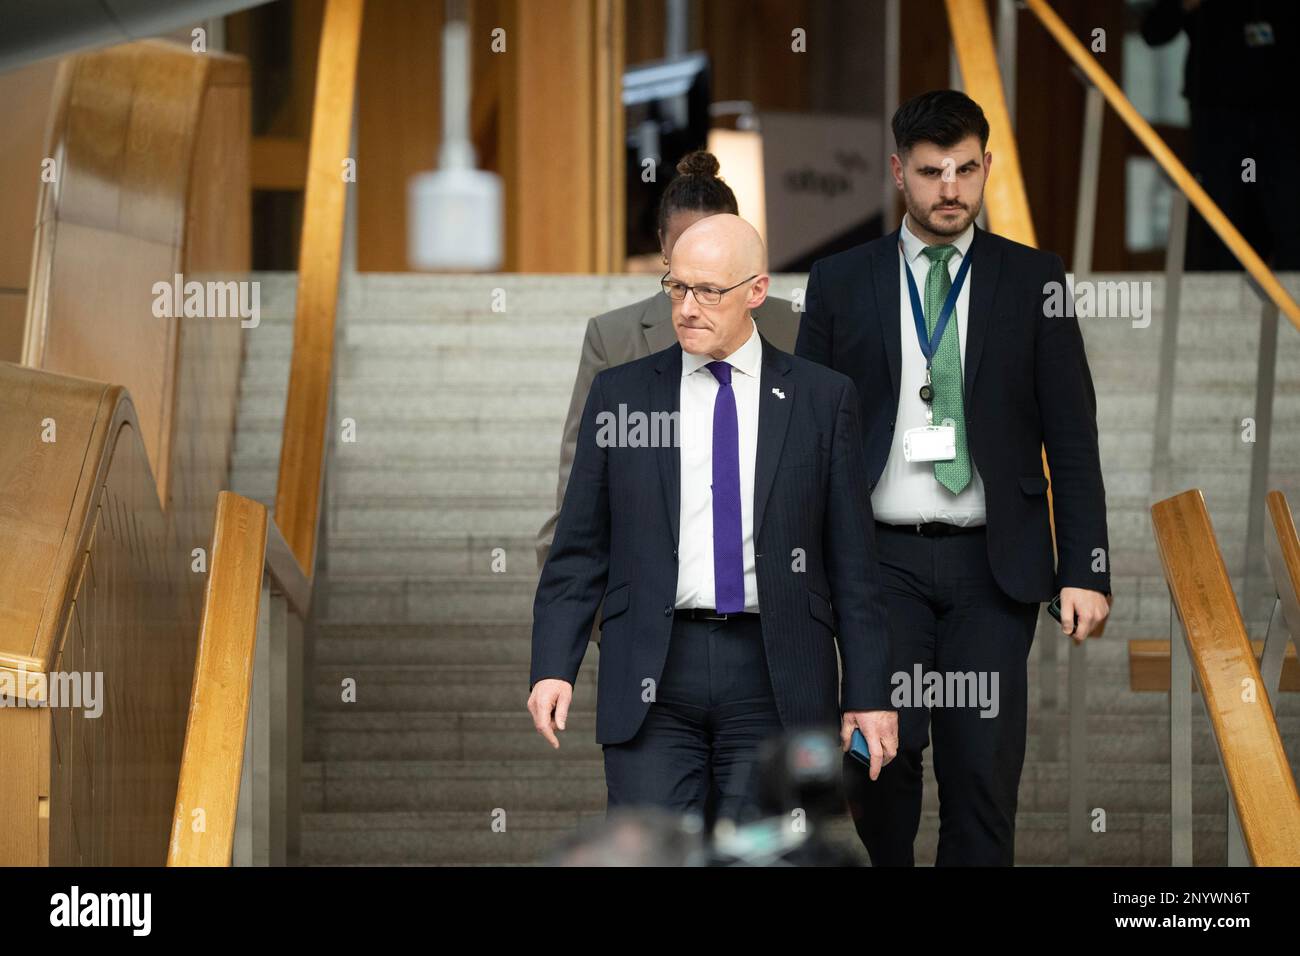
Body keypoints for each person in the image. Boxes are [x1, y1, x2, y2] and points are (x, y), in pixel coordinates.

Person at [796, 90, 1111, 865]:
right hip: (879, 565)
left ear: (987, 168)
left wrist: (1087, 568)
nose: (951, 190)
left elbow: (1072, 437)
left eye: (966, 170)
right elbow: (804, 440)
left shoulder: (1035, 277)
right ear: (899, 171)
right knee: (882, 765)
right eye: (933, 172)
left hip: (992, 567)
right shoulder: (841, 279)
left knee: (982, 776)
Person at [529, 214, 897, 824]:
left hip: (776, 674)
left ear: (756, 291)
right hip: (652, 672)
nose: (687, 308)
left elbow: (853, 565)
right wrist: (552, 666)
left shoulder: (822, 398)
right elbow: (579, 547)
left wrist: (868, 693)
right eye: (677, 288)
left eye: (709, 292)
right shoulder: (620, 396)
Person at [537, 151, 798, 569]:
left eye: (713, 242)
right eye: (684, 245)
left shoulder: (796, 329)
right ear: (662, 244)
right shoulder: (614, 337)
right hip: (645, 591)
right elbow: (580, 485)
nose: (699, 259)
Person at [1141, 0, 1299, 270]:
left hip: (1283, 114)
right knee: (1221, 223)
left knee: (1290, 219)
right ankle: (1220, 303)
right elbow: (1154, 30)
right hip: (1218, 116)